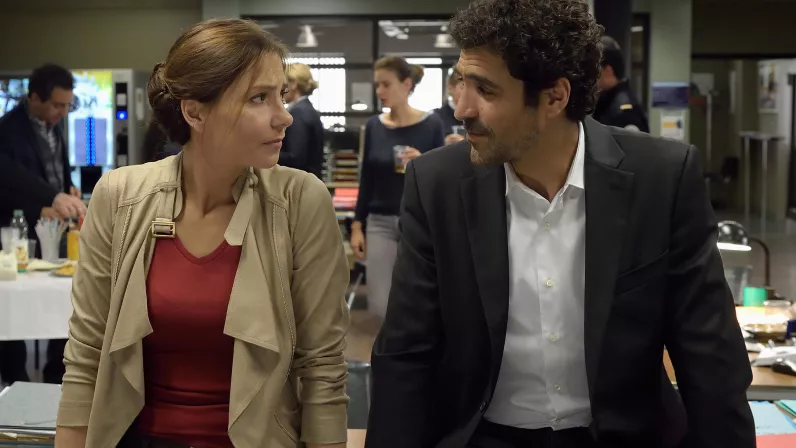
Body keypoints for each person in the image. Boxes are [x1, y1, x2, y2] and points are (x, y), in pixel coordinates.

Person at [366, 1, 755, 448]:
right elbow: (406, 353)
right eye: (461, 83)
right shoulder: (437, 184)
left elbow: (709, 356)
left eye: (486, 90)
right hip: (484, 436)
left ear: (555, 97)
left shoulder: (661, 178)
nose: (462, 109)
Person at [55, 19, 350, 448]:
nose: (284, 116)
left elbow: (322, 365)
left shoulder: (299, 201)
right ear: (194, 112)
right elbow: (87, 353)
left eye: (282, 95)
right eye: (259, 98)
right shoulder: (120, 197)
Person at [0, 63, 87, 387]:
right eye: (57, 105)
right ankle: (15, 380)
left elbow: (56, 171)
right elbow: (9, 181)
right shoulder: (7, 130)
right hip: (19, 235)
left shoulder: (54, 126)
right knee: (12, 308)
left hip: (56, 230)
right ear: (34, 98)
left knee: (62, 303)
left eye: (67, 106)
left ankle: (57, 372)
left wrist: (68, 188)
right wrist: (47, 201)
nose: (62, 113)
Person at [349, 56, 445, 319]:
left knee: (418, 301)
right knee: (380, 304)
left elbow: (443, 179)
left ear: (406, 84)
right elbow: (366, 178)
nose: (379, 91)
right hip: (379, 222)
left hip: (419, 221)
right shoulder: (374, 126)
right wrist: (357, 226)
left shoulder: (432, 124)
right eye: (377, 85)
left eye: (386, 84)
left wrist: (423, 161)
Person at [592, 35, 649, 132]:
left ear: (608, 71)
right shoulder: (607, 100)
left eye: (595, 70)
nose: (592, 75)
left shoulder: (625, 112)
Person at [279, 63, 325, 178]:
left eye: (283, 85)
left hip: (300, 183)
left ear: (294, 84)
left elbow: (296, 158)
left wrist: (264, 154)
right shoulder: (308, 109)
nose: (280, 90)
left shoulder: (298, 113)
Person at [434, 69, 465, 145]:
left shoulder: (481, 117)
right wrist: (442, 143)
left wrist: (465, 143)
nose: (468, 92)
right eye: (463, 87)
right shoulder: (436, 117)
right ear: (450, 88)